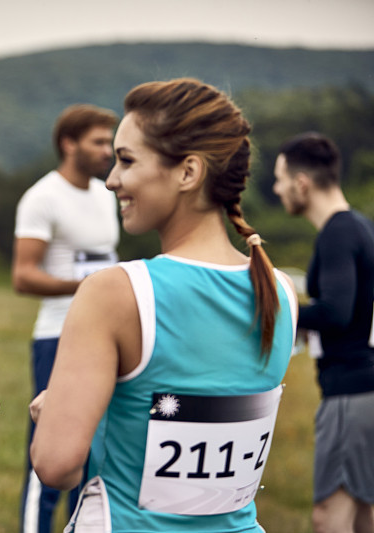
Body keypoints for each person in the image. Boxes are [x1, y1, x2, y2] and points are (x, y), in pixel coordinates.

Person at [29, 78, 299, 532]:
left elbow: (57, 467)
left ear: (188, 173)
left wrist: (62, 415)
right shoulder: (280, 290)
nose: (112, 179)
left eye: (127, 160)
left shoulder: (115, 291)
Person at [12, 103, 119, 533]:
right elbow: (23, 275)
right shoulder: (43, 197)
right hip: (58, 335)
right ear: (68, 144)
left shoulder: (105, 194)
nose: (107, 151)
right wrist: (91, 287)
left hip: (104, 336)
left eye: (110, 142)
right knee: (51, 448)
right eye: (98, 141)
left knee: (92, 453)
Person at [273, 132, 374, 533]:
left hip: (349, 392)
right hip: (365, 388)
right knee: (365, 514)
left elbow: (334, 311)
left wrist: (278, 309)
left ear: (302, 183)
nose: (277, 189)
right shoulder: (360, 225)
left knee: (329, 516)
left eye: (280, 179)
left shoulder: (337, 232)